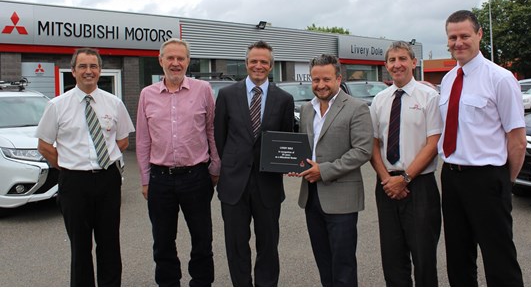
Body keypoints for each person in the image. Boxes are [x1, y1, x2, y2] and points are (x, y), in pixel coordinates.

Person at [438, 10, 526, 286]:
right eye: (453, 37)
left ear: (479, 35)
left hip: (487, 177)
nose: (458, 42)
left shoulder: (500, 78)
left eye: (464, 35)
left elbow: (517, 137)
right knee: (458, 257)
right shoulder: (449, 79)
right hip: (452, 177)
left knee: (499, 258)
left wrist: (504, 180)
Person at [36, 48, 135, 286]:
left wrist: (103, 159)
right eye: (83, 66)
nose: (88, 71)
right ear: (73, 71)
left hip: (107, 180)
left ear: (100, 71)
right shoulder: (57, 105)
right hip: (74, 183)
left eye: (93, 66)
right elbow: (44, 145)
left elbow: (123, 140)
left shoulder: (114, 103)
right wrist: (69, 165)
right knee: (80, 246)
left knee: (110, 242)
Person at [135, 38, 220, 287]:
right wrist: (144, 179)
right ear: (160, 61)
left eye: (180, 58)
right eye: (170, 58)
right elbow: (143, 140)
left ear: (188, 62)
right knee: (162, 241)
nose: (175, 63)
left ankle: (201, 283)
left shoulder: (203, 90)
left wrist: (215, 168)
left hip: (197, 176)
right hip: (160, 180)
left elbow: (212, 131)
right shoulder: (146, 95)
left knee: (202, 239)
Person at [214, 40, 295, 286]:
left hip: (267, 184)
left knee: (268, 246)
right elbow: (220, 137)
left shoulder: (284, 99)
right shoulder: (227, 95)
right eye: (254, 61)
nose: (258, 66)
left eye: (264, 62)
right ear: (246, 63)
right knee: (236, 246)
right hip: (234, 185)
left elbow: (286, 139)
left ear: (271, 66)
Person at [295, 54, 372, 286]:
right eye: (315, 80)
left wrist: (324, 170)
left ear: (339, 79)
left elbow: (362, 151)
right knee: (323, 261)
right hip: (311, 196)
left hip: (342, 198)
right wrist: (295, 164)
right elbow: (304, 147)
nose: (320, 85)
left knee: (343, 263)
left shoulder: (357, 108)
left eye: (326, 79)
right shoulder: (307, 109)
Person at [369, 41, 442, 286]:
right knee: (392, 257)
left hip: (419, 185)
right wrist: (386, 179)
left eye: (402, 59)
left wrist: (405, 179)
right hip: (387, 185)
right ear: (386, 65)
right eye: (392, 60)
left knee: (423, 257)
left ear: (413, 62)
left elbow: (433, 144)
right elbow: (373, 144)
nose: (397, 64)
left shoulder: (429, 97)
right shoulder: (379, 100)